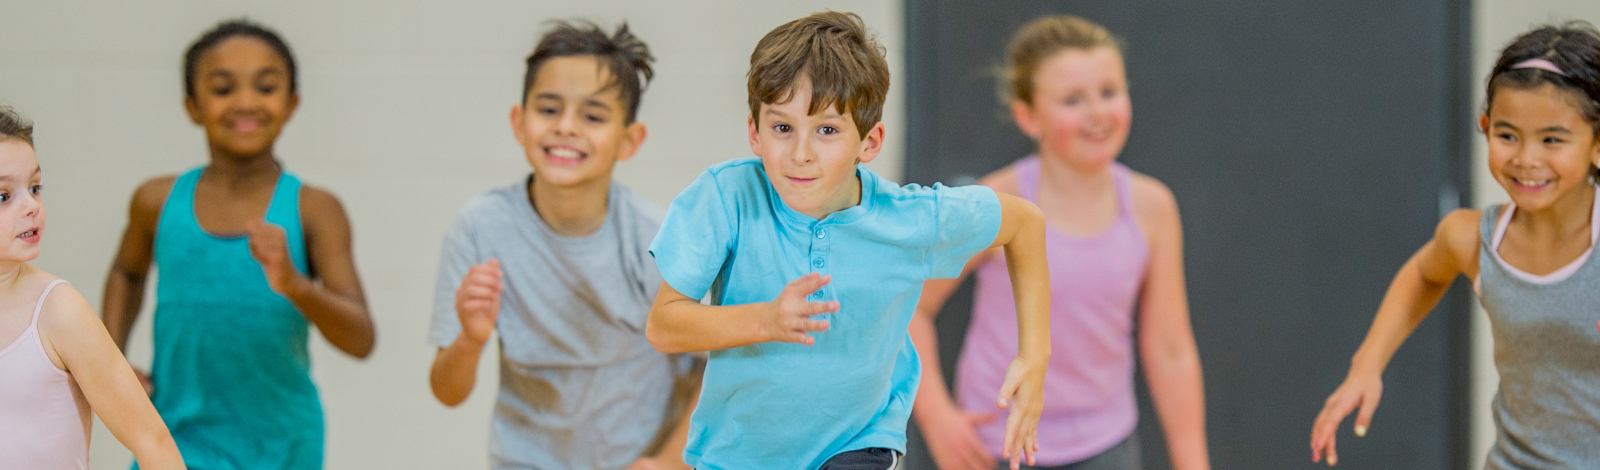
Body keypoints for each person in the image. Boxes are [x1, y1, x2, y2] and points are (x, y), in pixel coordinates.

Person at [646, 11, 1052, 470]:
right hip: (736, 454)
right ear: (754, 133)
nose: (801, 153)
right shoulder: (726, 198)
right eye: (783, 128)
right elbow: (664, 325)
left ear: (870, 141)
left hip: (859, 444)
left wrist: (1035, 357)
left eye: (827, 130)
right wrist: (765, 320)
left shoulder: (911, 219)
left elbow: (1025, 223)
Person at [910, 15, 1209, 470]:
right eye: (1072, 99)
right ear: (1028, 116)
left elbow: (1170, 350)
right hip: (998, 447)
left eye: (1109, 92)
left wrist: (1193, 461)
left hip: (1105, 448)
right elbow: (911, 306)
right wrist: (937, 418)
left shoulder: (1153, 208)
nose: (1097, 113)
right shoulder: (995, 203)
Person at [1310, 22, 1600, 469]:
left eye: (1552, 140)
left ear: (1597, 144)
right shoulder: (1471, 239)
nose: (1526, 158)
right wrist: (1366, 367)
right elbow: (1425, 272)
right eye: (1508, 136)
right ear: (1485, 128)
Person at [101, 19, 376, 469]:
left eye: (266, 87)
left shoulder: (315, 209)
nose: (246, 102)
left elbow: (361, 338)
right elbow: (126, 273)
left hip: (283, 444)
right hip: (176, 437)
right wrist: (112, 361)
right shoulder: (156, 201)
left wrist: (295, 284)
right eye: (224, 88)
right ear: (192, 106)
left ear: (291, 104)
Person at [427, 20, 701, 470]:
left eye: (593, 116)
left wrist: (668, 462)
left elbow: (713, 368)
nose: (567, 128)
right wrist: (470, 339)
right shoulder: (481, 226)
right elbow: (447, 391)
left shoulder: (657, 238)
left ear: (629, 141)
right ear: (519, 122)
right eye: (549, 109)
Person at [0, 106, 186, 470]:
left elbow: (154, 443)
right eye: (3, 196)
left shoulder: (58, 311)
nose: (32, 206)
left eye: (35, 188)